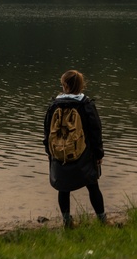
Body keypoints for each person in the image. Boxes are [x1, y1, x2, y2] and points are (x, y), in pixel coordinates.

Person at [43, 70, 106, 228]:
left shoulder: (53, 105)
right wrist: (99, 154)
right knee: (93, 186)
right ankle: (102, 220)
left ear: (64, 85)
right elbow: (95, 131)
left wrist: (49, 152)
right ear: (81, 85)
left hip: (59, 154)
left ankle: (67, 222)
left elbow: (47, 131)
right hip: (84, 153)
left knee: (63, 189)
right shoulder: (86, 105)